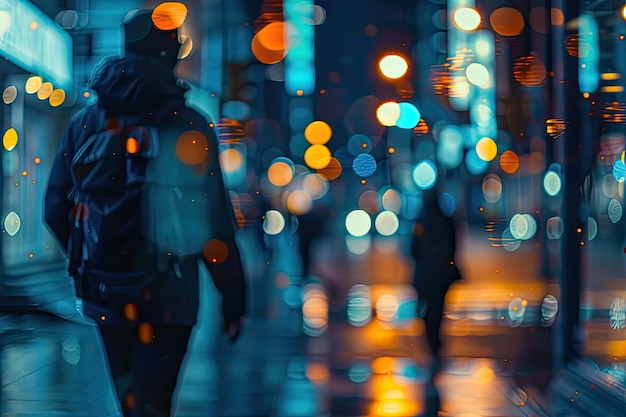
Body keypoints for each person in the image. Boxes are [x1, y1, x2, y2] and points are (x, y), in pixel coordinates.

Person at [44, 9, 247, 417]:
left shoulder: (86, 123)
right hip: (171, 293)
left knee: (129, 400)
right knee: (155, 403)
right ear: (170, 54)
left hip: (106, 289)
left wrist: (92, 253)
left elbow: (54, 207)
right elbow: (213, 220)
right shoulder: (190, 124)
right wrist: (233, 294)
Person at [410, 188, 462, 378]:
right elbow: (454, 246)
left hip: (425, 275)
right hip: (441, 275)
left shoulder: (421, 221)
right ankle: (436, 342)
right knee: (438, 308)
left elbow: (412, 250)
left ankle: (432, 341)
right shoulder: (446, 220)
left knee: (426, 310)